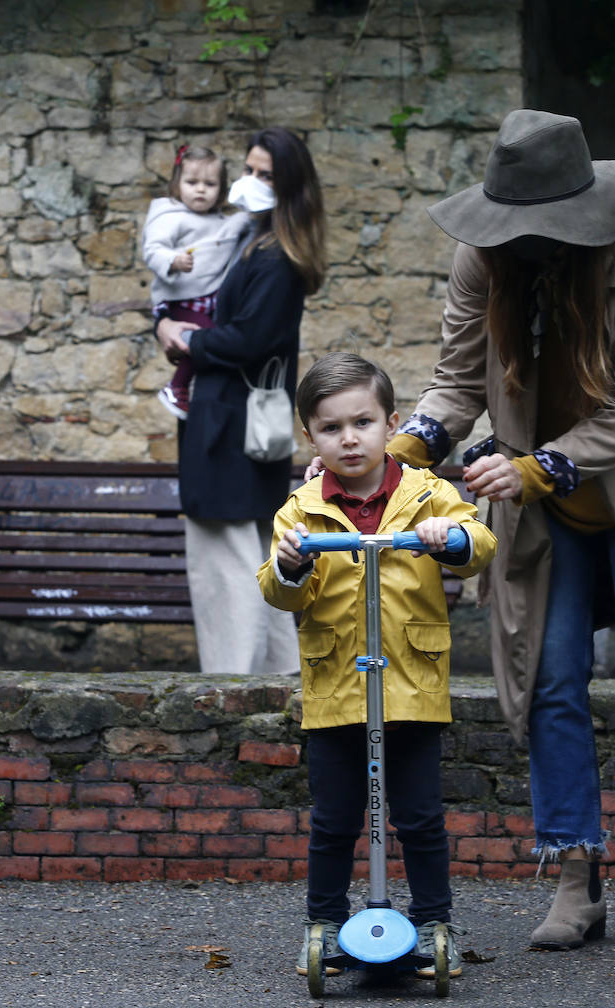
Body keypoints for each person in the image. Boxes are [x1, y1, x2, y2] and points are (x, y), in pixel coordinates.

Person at [387, 109, 615, 959]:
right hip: (545, 502)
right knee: (548, 677)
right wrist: (402, 453)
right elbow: (454, 381)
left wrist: (530, 470)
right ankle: (575, 875)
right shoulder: (484, 259)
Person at [257, 352, 497, 981]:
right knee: (335, 818)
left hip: (412, 682)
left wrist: (454, 536)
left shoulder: (425, 495)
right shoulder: (301, 510)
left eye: (362, 422)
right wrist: (291, 565)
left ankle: (434, 919)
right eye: (331, 428)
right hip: (338, 682)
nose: (349, 438)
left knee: (419, 816)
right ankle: (326, 922)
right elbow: (277, 590)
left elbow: (480, 545)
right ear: (311, 437)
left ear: (391, 422)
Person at [154, 127, 325, 678]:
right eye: (248, 171)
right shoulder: (255, 241)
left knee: (226, 567)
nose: (250, 183)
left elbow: (249, 339)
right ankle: (277, 681)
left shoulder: (276, 258)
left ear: (290, 186)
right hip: (238, 422)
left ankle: (233, 691)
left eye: (266, 175)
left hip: (231, 424)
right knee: (251, 558)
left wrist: (187, 339)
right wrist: (171, 322)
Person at [141, 143, 250, 419]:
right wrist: (172, 260)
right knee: (201, 340)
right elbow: (152, 249)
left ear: (222, 189)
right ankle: (176, 387)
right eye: (192, 182)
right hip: (180, 299)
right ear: (177, 184)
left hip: (208, 298)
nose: (200, 189)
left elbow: (231, 233)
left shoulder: (221, 221)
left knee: (207, 339)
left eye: (210, 184)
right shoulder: (168, 214)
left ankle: (185, 388)